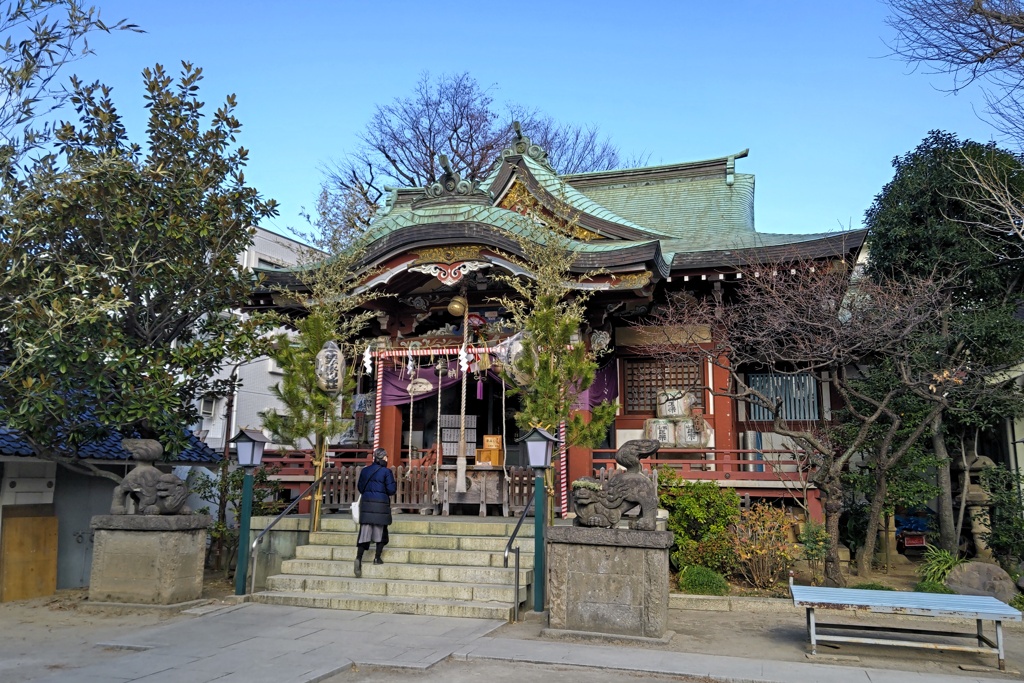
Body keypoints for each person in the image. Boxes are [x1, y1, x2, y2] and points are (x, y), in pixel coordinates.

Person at [354, 447, 397, 577]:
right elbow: (391, 490)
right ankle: (377, 558)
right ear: (383, 458)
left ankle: (358, 558)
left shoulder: (365, 471)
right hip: (380, 506)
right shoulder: (386, 472)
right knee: (380, 532)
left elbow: (361, 487)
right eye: (386, 457)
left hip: (367, 505)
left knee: (364, 533)